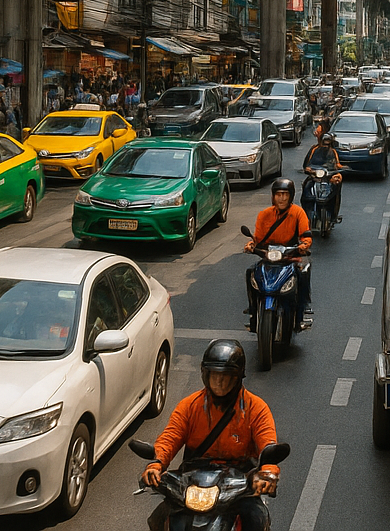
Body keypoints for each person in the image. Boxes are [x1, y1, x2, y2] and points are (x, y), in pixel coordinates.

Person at [141, 339, 281, 531]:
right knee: (158, 519)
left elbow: (268, 444)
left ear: (238, 377)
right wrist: (156, 464)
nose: (219, 382)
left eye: (226, 376)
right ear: (205, 375)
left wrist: (268, 473)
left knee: (257, 518)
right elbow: (169, 437)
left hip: (238, 483)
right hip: (193, 482)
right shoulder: (189, 406)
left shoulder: (256, 409)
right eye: (214, 375)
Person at [244, 178, 313, 333]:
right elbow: (258, 238)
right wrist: (251, 245)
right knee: (251, 273)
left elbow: (306, 236)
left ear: (291, 196)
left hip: (290, 258)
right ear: (273, 196)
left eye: (285, 194)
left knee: (303, 274)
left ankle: (300, 315)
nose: (282, 198)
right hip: (269, 257)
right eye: (278, 194)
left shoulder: (298, 213)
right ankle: (253, 313)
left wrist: (303, 246)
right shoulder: (264, 215)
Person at [301, 132, 344, 222]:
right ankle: (305, 215)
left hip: (328, 177)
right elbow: (306, 164)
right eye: (324, 142)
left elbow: (337, 165)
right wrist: (309, 170)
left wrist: (341, 169)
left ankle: (333, 215)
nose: (326, 145)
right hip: (314, 176)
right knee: (306, 188)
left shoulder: (333, 152)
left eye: (328, 142)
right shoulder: (314, 149)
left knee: (336, 186)